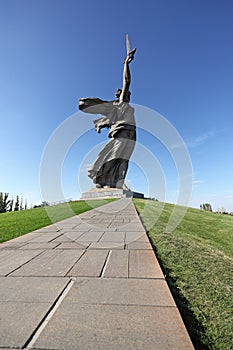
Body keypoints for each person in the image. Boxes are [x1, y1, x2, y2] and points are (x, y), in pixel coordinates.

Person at [79, 48, 136, 189]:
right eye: (124, 93)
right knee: (113, 155)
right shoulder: (120, 104)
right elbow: (127, 81)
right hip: (121, 133)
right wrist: (126, 64)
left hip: (132, 133)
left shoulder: (124, 106)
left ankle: (119, 182)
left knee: (124, 160)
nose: (127, 94)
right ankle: (100, 178)